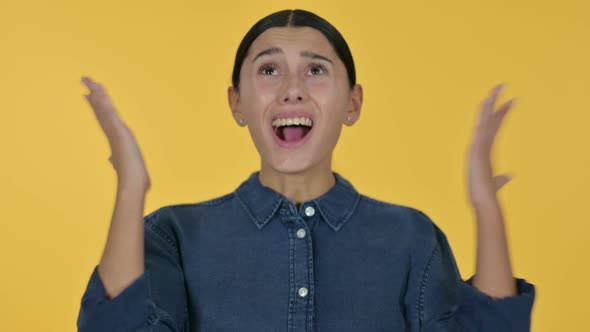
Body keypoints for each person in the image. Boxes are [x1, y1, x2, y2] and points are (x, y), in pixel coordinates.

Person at [76, 8, 535, 332]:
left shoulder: (411, 237)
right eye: (269, 70)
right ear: (237, 103)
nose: (292, 90)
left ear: (352, 103)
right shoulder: (172, 234)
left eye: (315, 70)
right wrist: (130, 190)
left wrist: (487, 213)